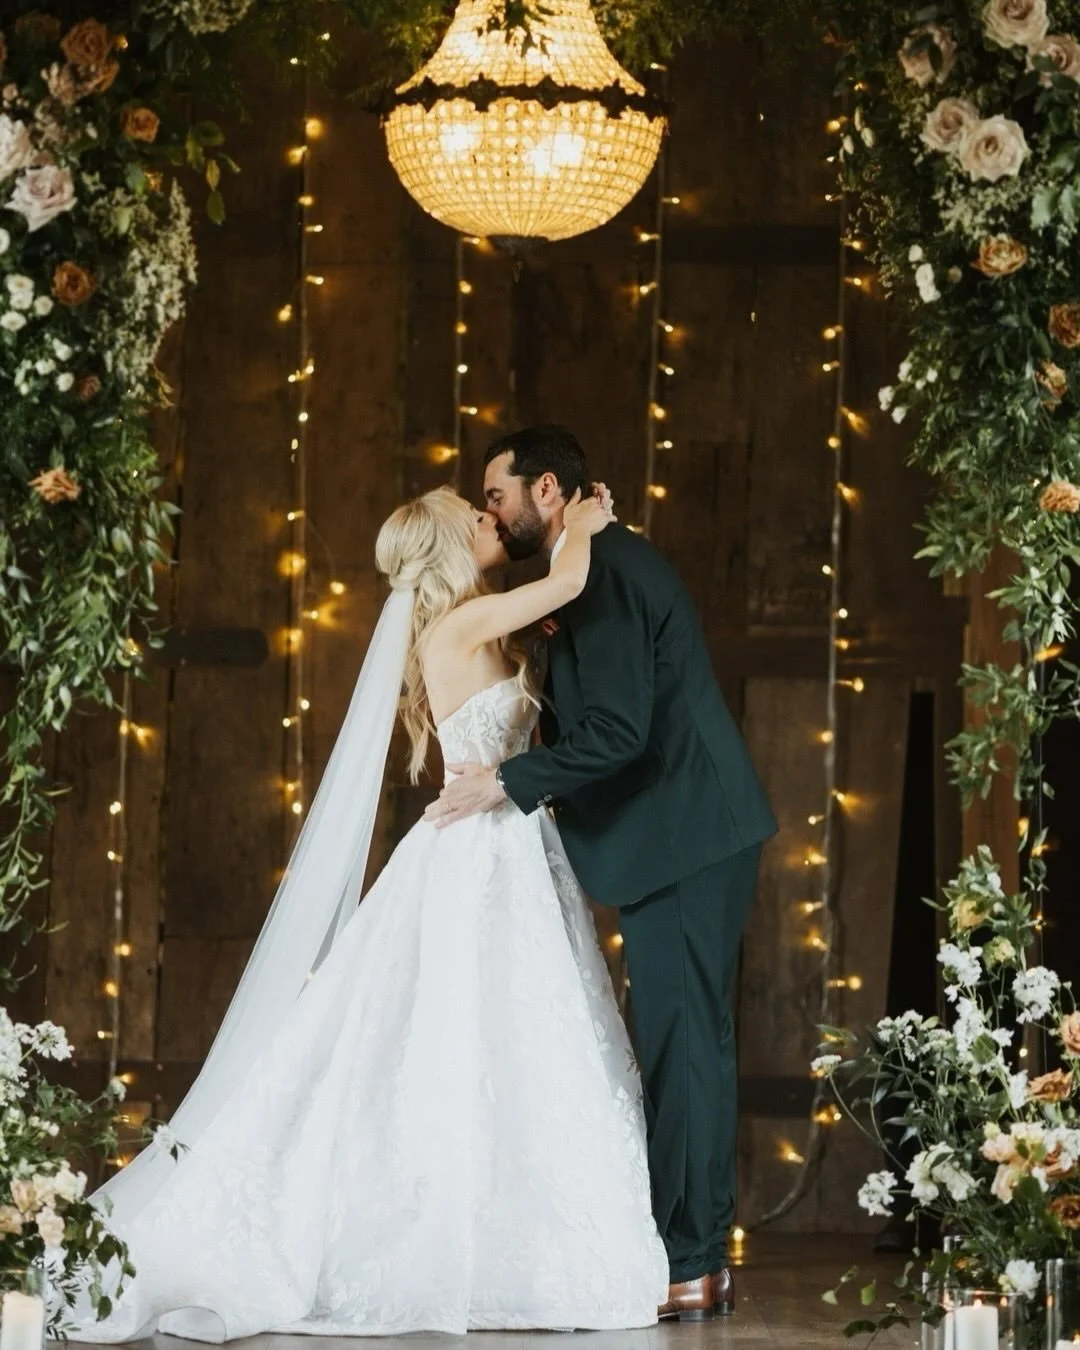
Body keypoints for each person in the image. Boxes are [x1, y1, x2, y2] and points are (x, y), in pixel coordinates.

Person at [70, 484, 669, 1342]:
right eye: (476, 516)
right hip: (475, 857)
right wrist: (586, 522)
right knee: (461, 1034)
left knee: (515, 1032)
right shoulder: (459, 626)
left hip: (514, 851)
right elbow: (569, 582)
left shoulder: (482, 622)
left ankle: (510, 1237)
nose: (490, 520)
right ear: (450, 545)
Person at [428, 425, 779, 1322]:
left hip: (685, 833)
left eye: (497, 495)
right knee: (686, 1043)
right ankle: (698, 1257)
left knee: (682, 1047)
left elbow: (618, 731)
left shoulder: (608, 572)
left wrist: (507, 782)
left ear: (546, 490)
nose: (491, 513)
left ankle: (689, 1261)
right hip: (678, 833)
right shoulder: (582, 566)